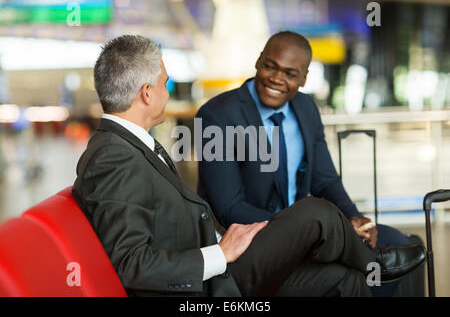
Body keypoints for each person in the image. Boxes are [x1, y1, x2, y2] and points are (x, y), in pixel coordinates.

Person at [72, 35, 425, 297]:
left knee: (345, 281)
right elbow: (132, 265)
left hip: (223, 259)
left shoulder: (131, 145)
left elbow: (325, 177)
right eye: (166, 83)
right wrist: (219, 254)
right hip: (210, 287)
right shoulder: (114, 156)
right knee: (316, 214)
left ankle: (364, 255)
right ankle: (371, 260)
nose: (169, 90)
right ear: (147, 93)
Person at [196, 31, 420, 296]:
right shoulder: (218, 115)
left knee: (401, 242)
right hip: (252, 240)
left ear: (304, 79)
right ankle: (373, 263)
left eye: (290, 74)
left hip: (313, 228)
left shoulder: (306, 109)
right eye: (270, 66)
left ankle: (371, 259)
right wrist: (299, 232)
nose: (277, 79)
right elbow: (229, 207)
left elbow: (325, 180)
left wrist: (354, 218)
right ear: (258, 62)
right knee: (350, 270)